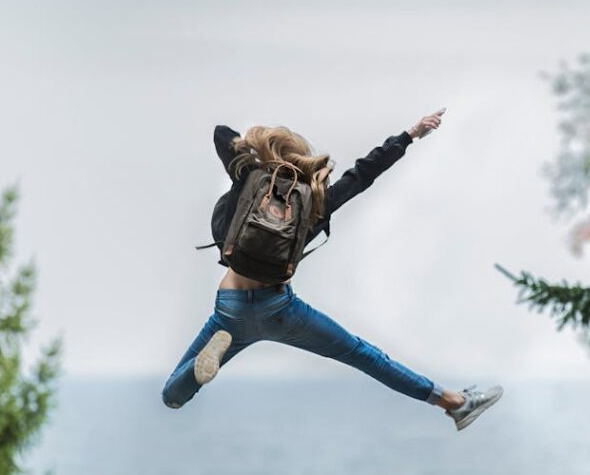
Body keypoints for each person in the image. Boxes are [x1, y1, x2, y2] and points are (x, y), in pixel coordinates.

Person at [161, 108, 503, 431]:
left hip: (231, 309)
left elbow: (221, 133)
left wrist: (258, 156)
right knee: (363, 355)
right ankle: (455, 403)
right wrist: (409, 135)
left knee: (172, 396)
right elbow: (363, 174)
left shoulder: (249, 179)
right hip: (279, 309)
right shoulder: (313, 201)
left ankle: (197, 372)